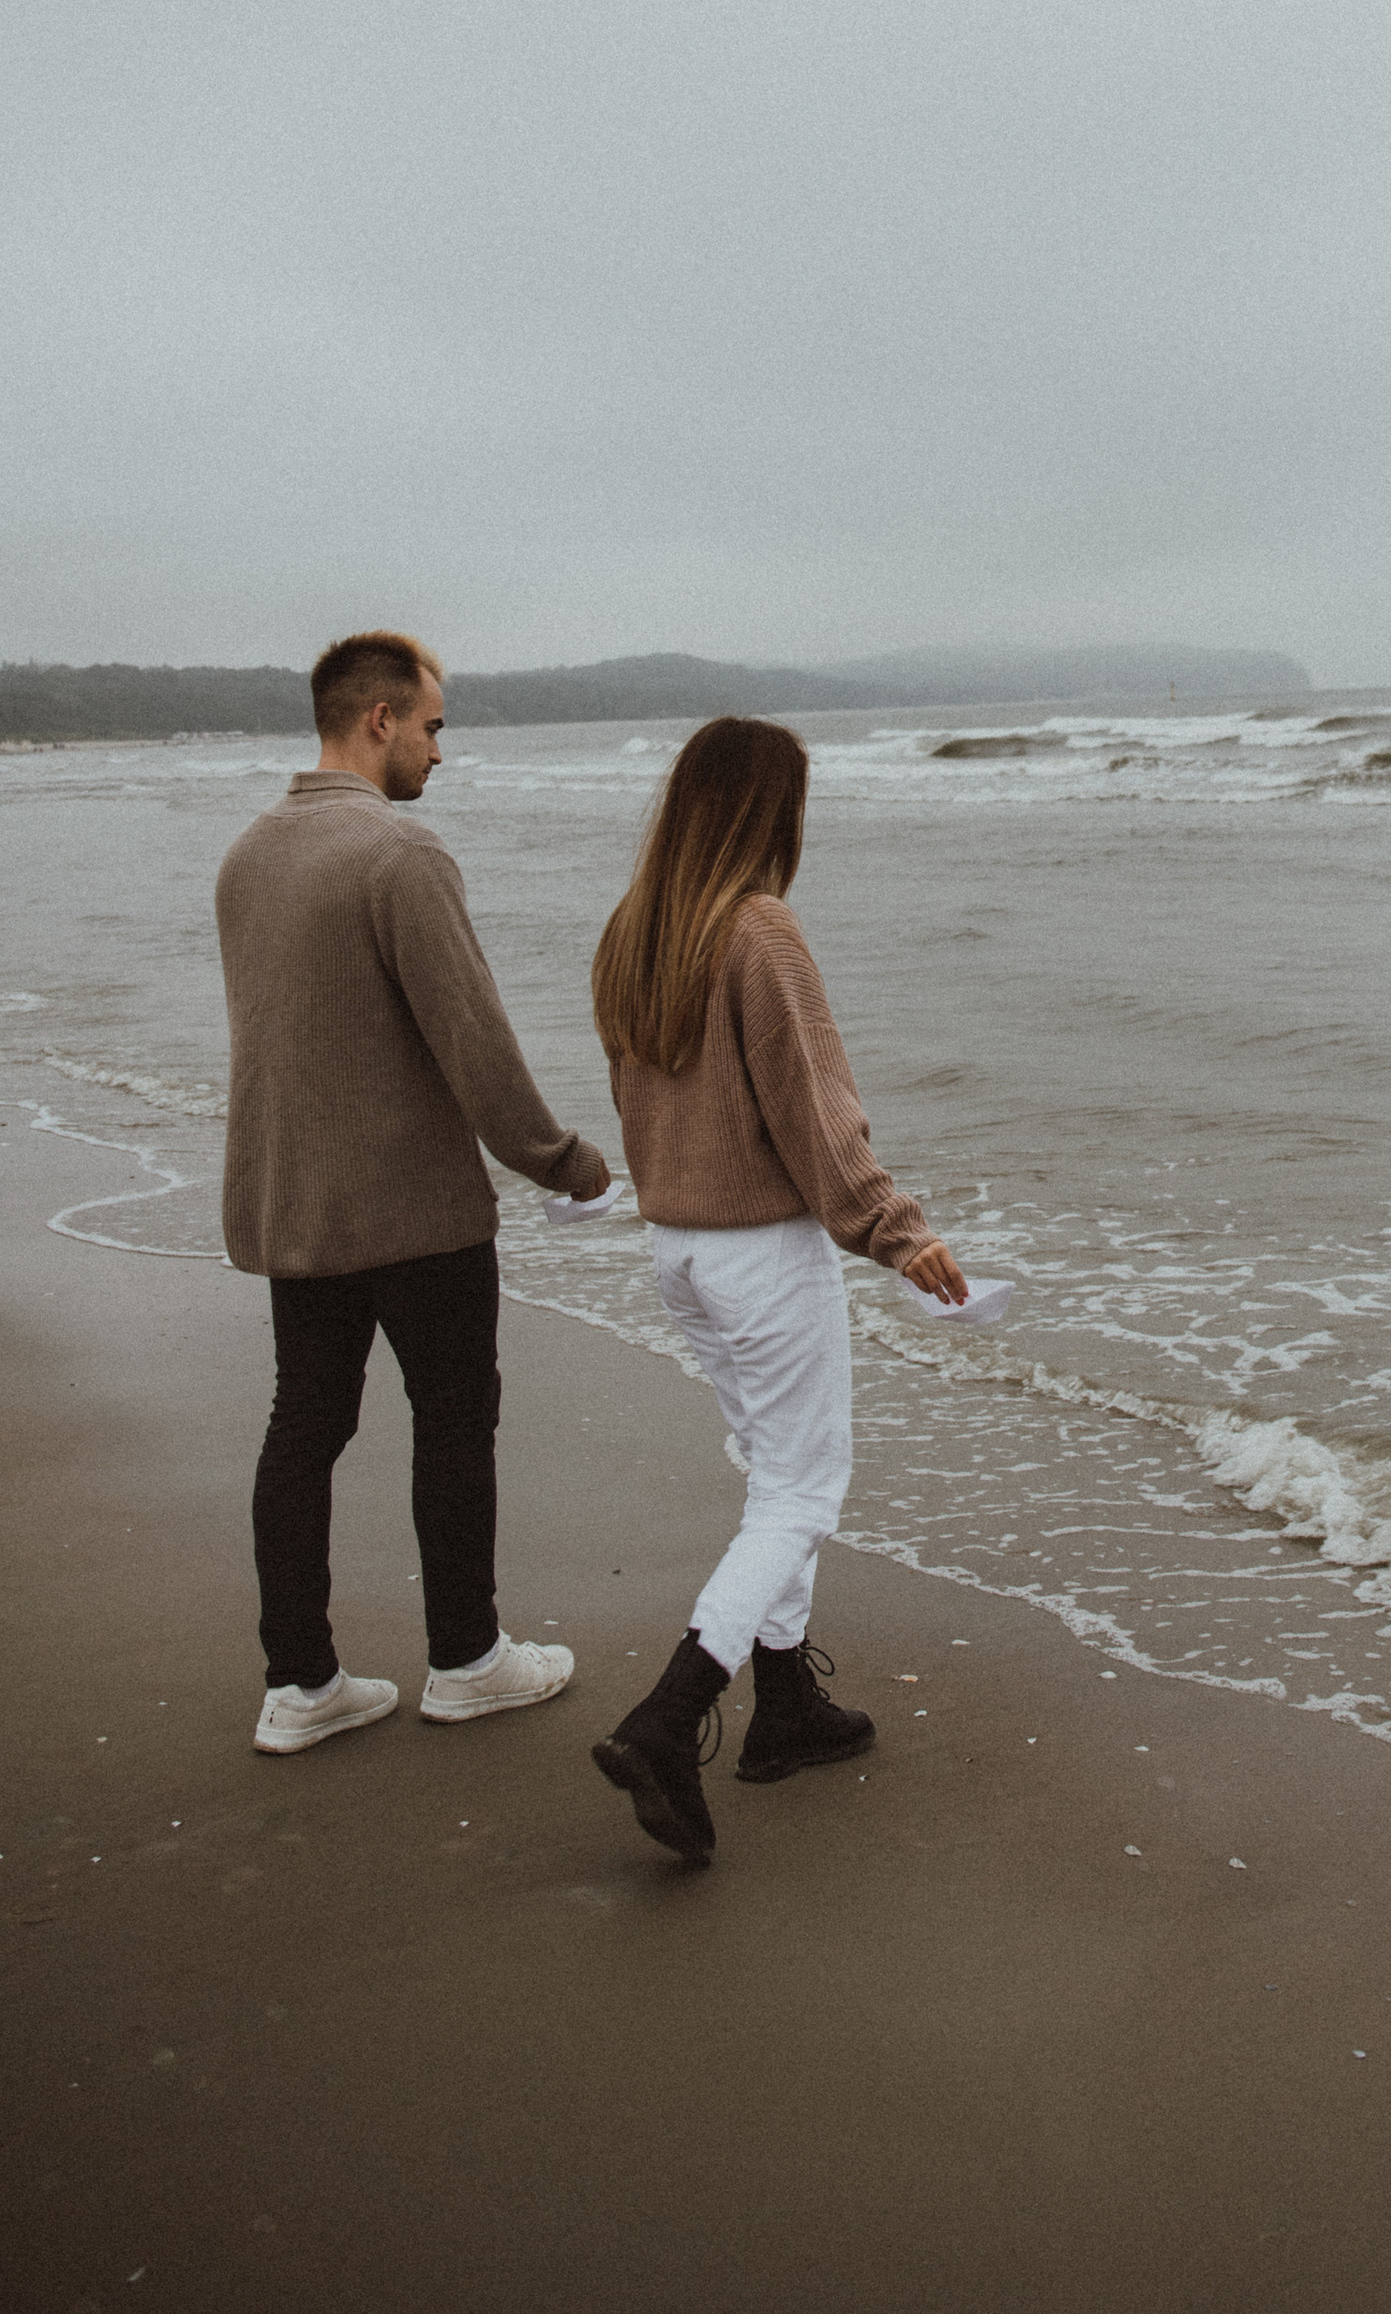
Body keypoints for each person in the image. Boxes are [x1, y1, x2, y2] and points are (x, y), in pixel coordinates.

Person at [216, 629, 612, 1756]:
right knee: (452, 1423)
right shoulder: (399, 856)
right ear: (379, 719)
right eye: (433, 726)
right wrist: (564, 1159)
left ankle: (299, 1686)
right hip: (413, 1212)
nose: (442, 751)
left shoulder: (248, 854)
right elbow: (472, 1043)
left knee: (305, 1428)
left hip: (293, 1206)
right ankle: (467, 1662)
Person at [586, 714, 966, 1865]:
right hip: (758, 1252)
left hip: (680, 1254)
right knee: (802, 1490)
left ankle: (786, 1703)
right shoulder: (760, 935)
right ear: (770, 813)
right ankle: (669, 1716)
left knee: (772, 1476)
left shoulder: (633, 932)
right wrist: (895, 1232)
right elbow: (814, 1110)